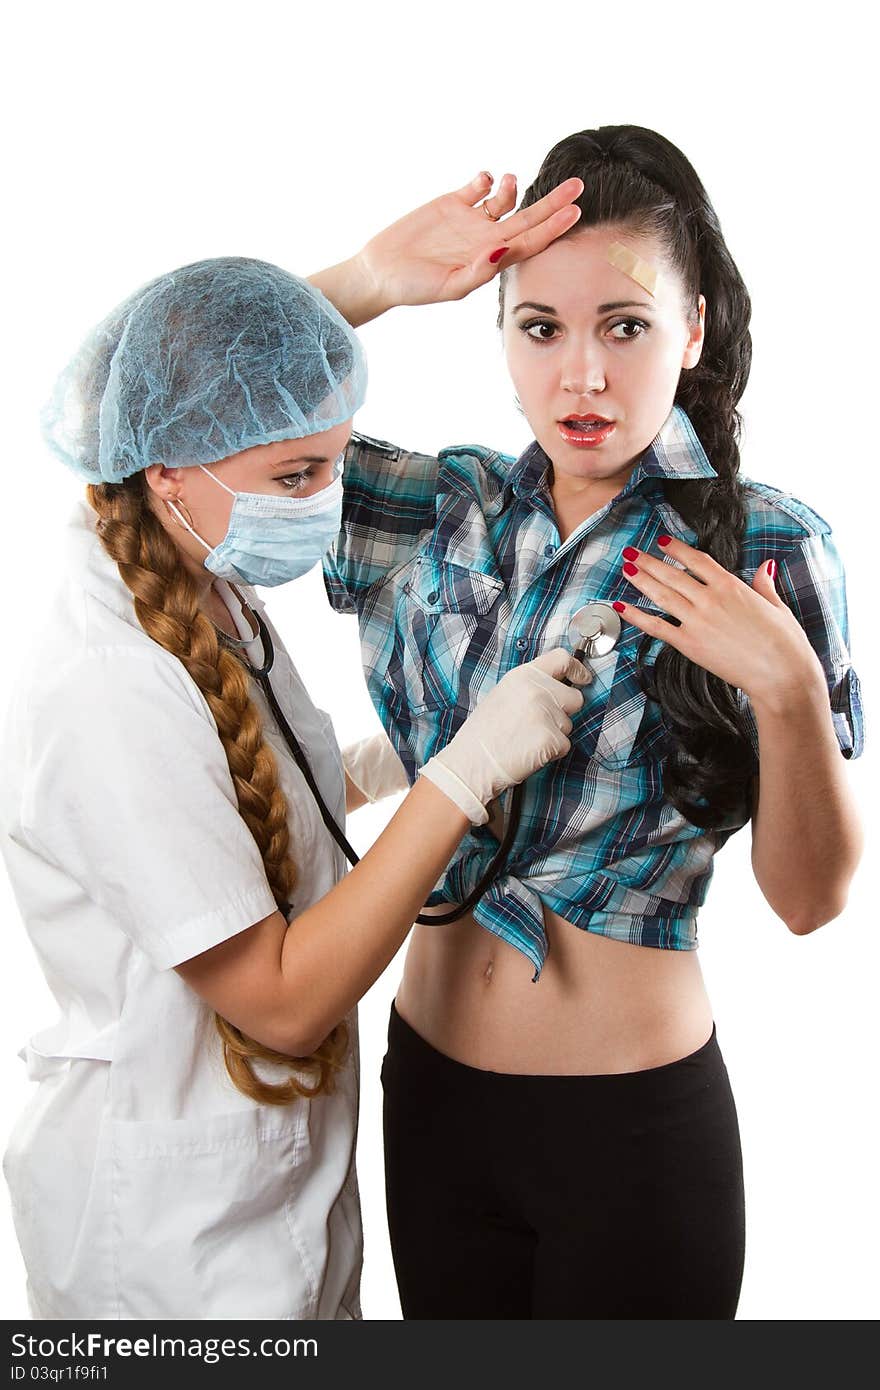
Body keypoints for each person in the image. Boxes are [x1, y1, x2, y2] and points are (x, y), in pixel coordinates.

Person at [311, 126, 866, 1318]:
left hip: (632, 1134)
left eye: (624, 326)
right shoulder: (439, 509)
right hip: (431, 1103)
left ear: (695, 329)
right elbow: (164, 433)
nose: (583, 378)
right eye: (540, 327)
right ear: (499, 330)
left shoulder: (768, 547)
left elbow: (811, 902)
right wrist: (362, 284)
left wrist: (784, 693)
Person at [0, 252, 593, 1320]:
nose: (326, 503)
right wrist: (463, 772)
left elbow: (183, 382)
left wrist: (376, 274)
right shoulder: (107, 680)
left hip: (278, 1205)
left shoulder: (186, 548)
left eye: (330, 465)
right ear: (169, 466)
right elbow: (281, 1000)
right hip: (173, 1252)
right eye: (296, 478)